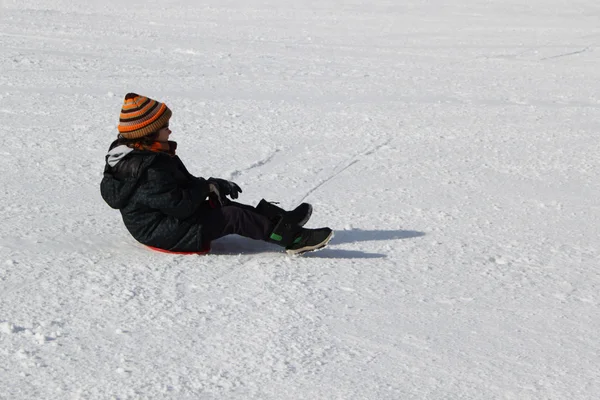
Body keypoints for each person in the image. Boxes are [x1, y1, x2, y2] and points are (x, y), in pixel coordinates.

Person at [100, 93, 333, 255]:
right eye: (164, 127)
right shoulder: (149, 168)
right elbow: (181, 206)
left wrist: (210, 186)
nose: (170, 129)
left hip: (164, 221)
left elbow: (179, 187)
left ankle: (283, 223)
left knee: (225, 206)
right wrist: (205, 188)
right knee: (232, 216)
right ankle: (294, 240)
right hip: (163, 233)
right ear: (148, 133)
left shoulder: (142, 154)